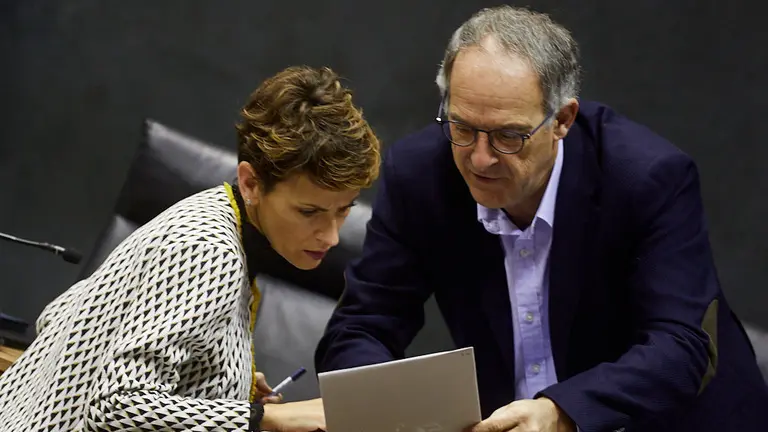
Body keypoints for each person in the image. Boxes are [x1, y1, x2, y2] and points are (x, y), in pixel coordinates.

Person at [314, 6, 768, 432]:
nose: (480, 158)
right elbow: (364, 323)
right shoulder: (419, 177)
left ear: (562, 119)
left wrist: (561, 412)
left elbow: (682, 348)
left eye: (509, 136)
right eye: (462, 127)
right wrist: (377, 404)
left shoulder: (647, 178)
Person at [0, 65, 380, 432]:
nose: (330, 236)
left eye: (343, 211)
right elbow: (114, 405)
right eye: (309, 211)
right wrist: (261, 419)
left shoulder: (213, 215)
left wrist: (220, 379)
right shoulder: (209, 251)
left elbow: (62, 318)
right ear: (250, 183)